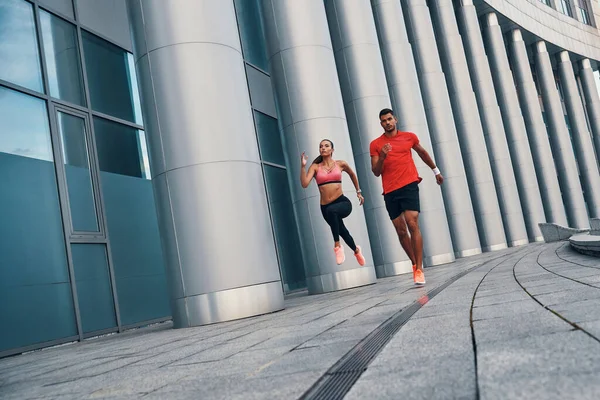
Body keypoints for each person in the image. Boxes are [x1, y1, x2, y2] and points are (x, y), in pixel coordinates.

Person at [370, 108, 444, 286]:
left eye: (389, 119)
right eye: (383, 121)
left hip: (409, 184)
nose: (387, 123)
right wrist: (382, 157)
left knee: (412, 223)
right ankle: (413, 262)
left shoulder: (409, 137)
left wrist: (436, 171)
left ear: (395, 119)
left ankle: (419, 269)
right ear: (381, 124)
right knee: (401, 231)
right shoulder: (376, 144)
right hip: (390, 190)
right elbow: (376, 172)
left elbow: (422, 153)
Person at [300, 139, 366, 266]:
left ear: (332, 150)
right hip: (325, 207)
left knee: (333, 212)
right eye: (321, 146)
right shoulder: (315, 167)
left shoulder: (340, 164)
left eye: (326, 146)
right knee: (343, 231)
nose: (323, 148)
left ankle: (337, 246)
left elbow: (352, 174)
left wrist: (358, 191)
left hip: (342, 202)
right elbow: (304, 184)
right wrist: (303, 166)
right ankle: (356, 250)